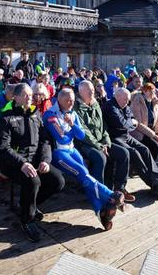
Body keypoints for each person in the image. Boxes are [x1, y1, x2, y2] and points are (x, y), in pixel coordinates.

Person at [44, 89, 123, 230]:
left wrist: (72, 125)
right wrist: (72, 130)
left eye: (73, 100)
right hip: (58, 153)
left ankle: (101, 212)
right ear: (60, 100)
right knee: (82, 172)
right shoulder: (51, 114)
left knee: (85, 177)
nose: (71, 103)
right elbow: (61, 138)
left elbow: (80, 135)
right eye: (68, 100)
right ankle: (110, 195)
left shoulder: (72, 113)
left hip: (72, 149)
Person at [0, 83, 64, 242]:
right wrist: (22, 164)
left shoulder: (36, 114)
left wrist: (46, 160)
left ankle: (28, 204)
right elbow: (2, 148)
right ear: (16, 97)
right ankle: (27, 219)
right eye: (25, 95)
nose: (29, 98)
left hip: (35, 160)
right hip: (13, 162)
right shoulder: (6, 117)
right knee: (33, 181)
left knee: (58, 181)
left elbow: (45, 141)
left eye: (30, 95)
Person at [104, 88, 158, 197]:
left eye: (128, 100)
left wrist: (129, 122)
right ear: (117, 97)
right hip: (115, 137)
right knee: (134, 153)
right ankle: (154, 185)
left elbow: (132, 120)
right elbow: (121, 123)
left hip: (126, 136)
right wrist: (129, 122)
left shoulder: (125, 106)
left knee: (145, 149)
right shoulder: (110, 106)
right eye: (125, 100)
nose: (127, 102)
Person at [74, 81, 133, 201]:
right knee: (100, 157)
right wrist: (99, 146)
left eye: (92, 89)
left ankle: (119, 189)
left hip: (102, 141)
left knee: (124, 154)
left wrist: (106, 142)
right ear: (80, 93)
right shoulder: (76, 108)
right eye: (88, 90)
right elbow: (84, 132)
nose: (92, 92)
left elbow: (103, 126)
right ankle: (98, 193)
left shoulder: (95, 104)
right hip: (84, 144)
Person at [130, 83, 158, 160]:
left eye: (153, 92)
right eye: (150, 92)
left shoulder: (154, 102)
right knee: (155, 147)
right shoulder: (137, 101)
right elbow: (138, 124)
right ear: (144, 91)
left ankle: (147, 159)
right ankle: (149, 166)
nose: (153, 94)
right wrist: (154, 135)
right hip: (140, 132)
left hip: (152, 130)